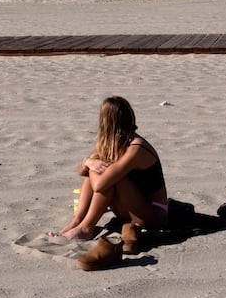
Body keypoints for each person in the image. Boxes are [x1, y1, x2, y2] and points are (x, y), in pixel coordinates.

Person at [54, 96, 168, 241]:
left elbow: (100, 185)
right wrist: (87, 161)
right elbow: (81, 171)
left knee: (109, 179)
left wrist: (92, 166)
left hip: (154, 215)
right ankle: (76, 222)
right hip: (133, 206)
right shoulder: (113, 142)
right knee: (96, 170)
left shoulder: (136, 148)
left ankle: (86, 228)